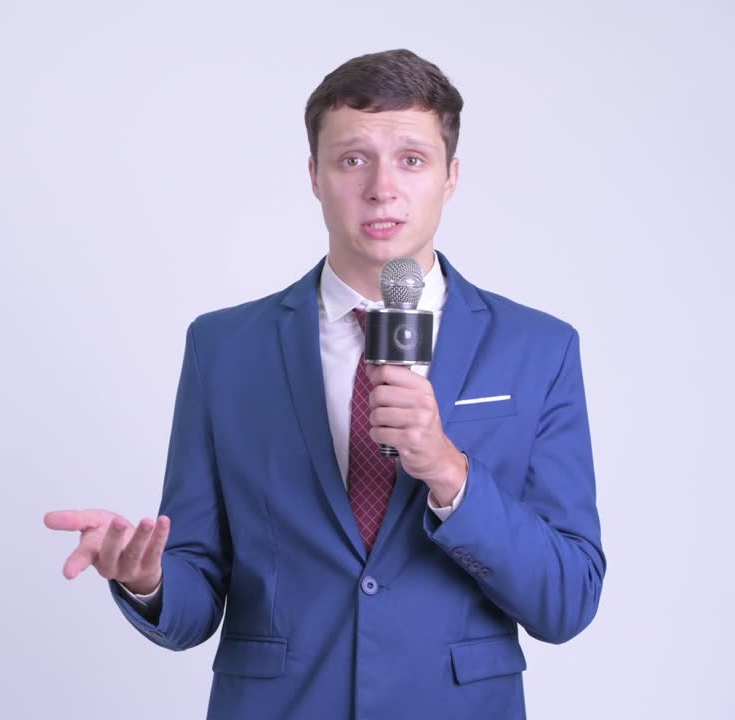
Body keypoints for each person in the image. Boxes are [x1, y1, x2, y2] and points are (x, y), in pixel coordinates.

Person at [44, 48, 605, 719]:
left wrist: (452, 475)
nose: (382, 188)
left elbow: (568, 598)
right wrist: (149, 579)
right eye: (352, 159)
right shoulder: (224, 349)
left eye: (412, 159)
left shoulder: (537, 350)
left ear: (451, 177)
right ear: (314, 174)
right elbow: (196, 594)